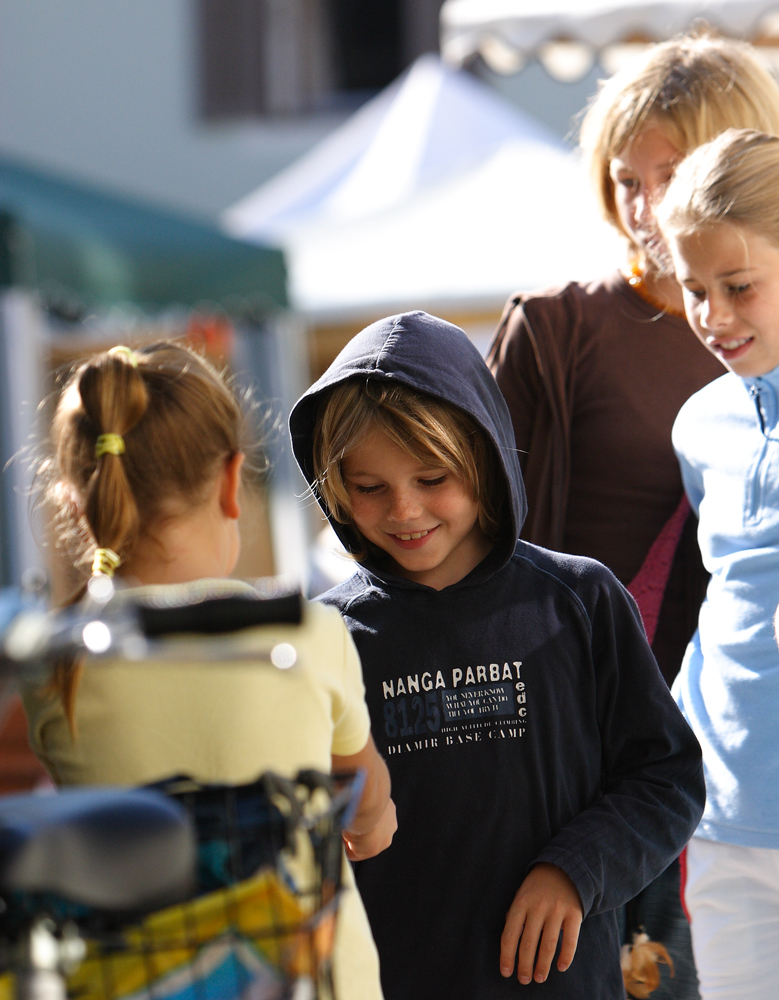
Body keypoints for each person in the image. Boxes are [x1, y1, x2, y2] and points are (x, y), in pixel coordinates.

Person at [288, 309, 705, 1000]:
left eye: (432, 478)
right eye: (369, 488)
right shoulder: (323, 639)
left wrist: (574, 870)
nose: (403, 510)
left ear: (484, 457)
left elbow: (666, 778)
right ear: (333, 487)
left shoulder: (578, 600)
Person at [486, 30, 779, 997]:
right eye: (625, 179)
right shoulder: (560, 331)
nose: (649, 206)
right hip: (621, 759)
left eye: (676, 171)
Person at [20, 342, 395, 1000]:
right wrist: (371, 817)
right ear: (229, 480)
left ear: (77, 501)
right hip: (308, 979)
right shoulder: (304, 631)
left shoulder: (54, 662)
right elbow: (366, 798)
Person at [656, 128, 779, 1000]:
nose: (713, 314)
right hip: (725, 814)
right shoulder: (698, 424)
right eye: (694, 289)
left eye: (738, 287)